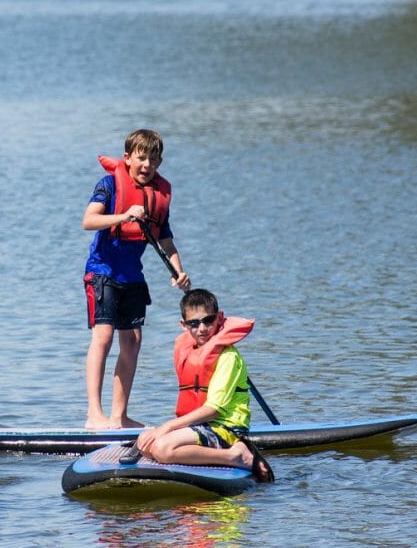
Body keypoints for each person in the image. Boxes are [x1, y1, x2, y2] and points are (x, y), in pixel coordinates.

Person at [82, 128, 190, 429]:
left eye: (153, 160)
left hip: (133, 276)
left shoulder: (157, 196)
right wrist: (124, 215)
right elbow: (88, 221)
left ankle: (119, 416)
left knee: (132, 341)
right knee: (102, 337)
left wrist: (179, 272)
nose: (147, 166)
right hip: (102, 270)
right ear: (127, 158)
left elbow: (166, 242)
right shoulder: (109, 184)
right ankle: (94, 414)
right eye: (141, 158)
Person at [134, 288, 274, 482]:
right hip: (202, 426)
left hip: (226, 428)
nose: (202, 328)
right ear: (183, 325)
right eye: (194, 323)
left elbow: (214, 409)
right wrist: (163, 430)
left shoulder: (228, 356)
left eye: (208, 320)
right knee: (144, 442)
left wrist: (166, 427)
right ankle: (202, 453)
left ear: (219, 317)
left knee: (162, 448)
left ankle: (237, 456)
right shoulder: (189, 352)